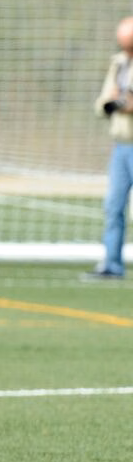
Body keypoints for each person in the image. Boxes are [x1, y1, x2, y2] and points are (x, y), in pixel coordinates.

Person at [87, 15, 133, 280]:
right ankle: (112, 264)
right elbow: (104, 102)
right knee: (114, 205)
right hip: (121, 146)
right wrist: (112, 104)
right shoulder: (118, 64)